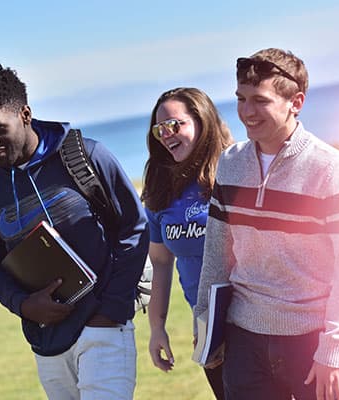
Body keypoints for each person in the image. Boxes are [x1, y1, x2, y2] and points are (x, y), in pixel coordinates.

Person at [0, 64, 149, 400]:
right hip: (46, 341)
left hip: (103, 328)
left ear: (25, 114)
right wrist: (24, 305)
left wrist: (111, 312)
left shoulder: (85, 156)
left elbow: (133, 230)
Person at [195, 48, 339, 400]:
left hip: (312, 344)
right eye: (241, 99)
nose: (246, 111)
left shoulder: (333, 169)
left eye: (260, 100)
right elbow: (216, 252)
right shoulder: (230, 164)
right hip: (243, 341)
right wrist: (206, 324)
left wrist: (334, 348)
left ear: (297, 102)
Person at [142, 87, 233, 399]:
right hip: (206, 321)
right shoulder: (160, 189)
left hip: (252, 316)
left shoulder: (234, 170)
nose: (166, 135)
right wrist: (157, 328)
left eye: (175, 124)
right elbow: (161, 263)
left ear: (202, 121)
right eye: (159, 129)